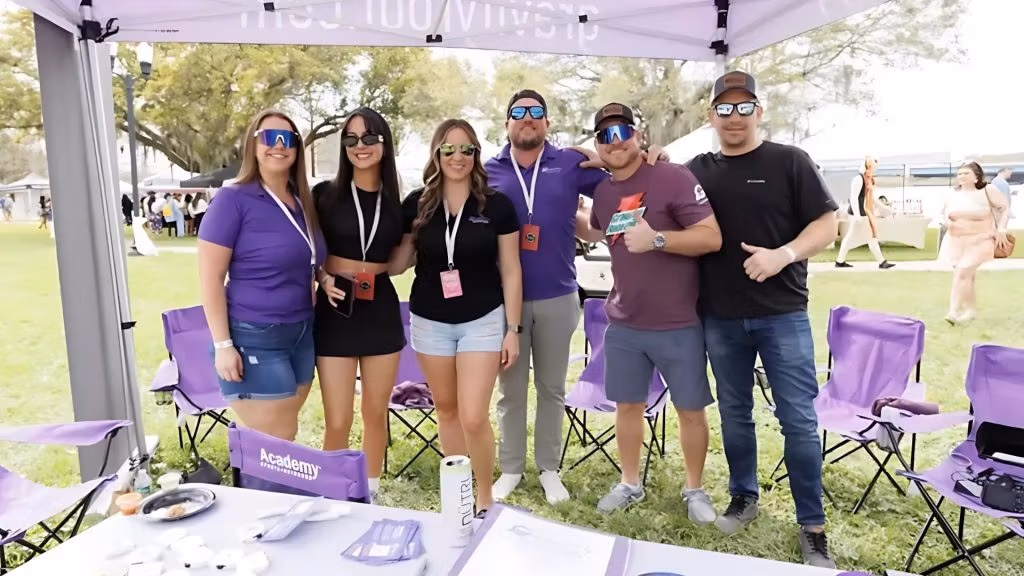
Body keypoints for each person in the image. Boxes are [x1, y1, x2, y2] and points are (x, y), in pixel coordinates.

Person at [686, 71, 839, 568]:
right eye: (724, 108)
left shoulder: (790, 161)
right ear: (710, 115)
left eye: (743, 106)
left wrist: (784, 254)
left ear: (759, 111)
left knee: (797, 419)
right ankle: (743, 497)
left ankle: (812, 526)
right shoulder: (696, 170)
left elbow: (828, 223)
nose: (734, 116)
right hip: (720, 317)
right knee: (735, 414)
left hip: (782, 315)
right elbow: (651, 187)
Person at [574, 103, 721, 520]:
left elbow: (711, 236)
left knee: (690, 410)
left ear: (638, 136)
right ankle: (629, 483)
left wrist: (658, 240)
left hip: (678, 323)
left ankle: (695, 490)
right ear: (598, 146)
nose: (615, 142)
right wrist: (562, 213)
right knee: (627, 407)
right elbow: (604, 230)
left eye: (622, 132)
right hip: (624, 323)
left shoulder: (672, 176)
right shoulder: (602, 191)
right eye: (605, 136)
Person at [392, 119, 522, 517]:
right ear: (436, 154)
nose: (458, 158)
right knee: (446, 411)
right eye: (449, 150)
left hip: (482, 320)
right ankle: (459, 497)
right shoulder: (417, 204)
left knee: (473, 415)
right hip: (430, 322)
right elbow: (398, 262)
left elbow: (512, 269)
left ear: (476, 155)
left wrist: (512, 329)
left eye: (466, 150)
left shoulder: (496, 205)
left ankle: (485, 499)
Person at [483, 89, 608, 504]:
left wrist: (620, 154)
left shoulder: (570, 162)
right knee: (511, 391)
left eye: (536, 112)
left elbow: (622, 177)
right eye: (517, 112)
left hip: (558, 295)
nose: (527, 118)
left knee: (552, 388)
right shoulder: (488, 171)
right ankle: (513, 468)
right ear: (506, 124)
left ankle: (550, 469)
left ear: (547, 123)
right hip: (504, 302)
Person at [197, 109, 326, 440]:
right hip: (254, 335)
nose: (279, 145)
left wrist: (323, 277)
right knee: (276, 441)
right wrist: (223, 345)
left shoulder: (301, 202)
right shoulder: (232, 199)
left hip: (301, 334)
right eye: (269, 137)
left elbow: (307, 257)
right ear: (252, 145)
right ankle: (261, 492)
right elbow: (210, 279)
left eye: (288, 139)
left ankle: (268, 491)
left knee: (283, 435)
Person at [313, 108, 405, 498]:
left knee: (374, 413)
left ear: (384, 144)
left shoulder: (398, 203)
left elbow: (402, 260)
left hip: (380, 306)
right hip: (336, 307)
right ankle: (332, 492)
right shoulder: (323, 195)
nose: (360, 146)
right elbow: (308, 250)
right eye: (350, 139)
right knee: (338, 417)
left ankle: (370, 491)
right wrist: (321, 277)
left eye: (369, 138)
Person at [937, 161, 1011, 325]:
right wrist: (946, 223)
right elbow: (944, 213)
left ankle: (953, 311)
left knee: (963, 271)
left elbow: (1004, 208)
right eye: (960, 174)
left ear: (977, 176)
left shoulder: (987, 190)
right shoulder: (952, 194)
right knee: (966, 276)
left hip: (980, 238)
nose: (961, 177)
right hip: (956, 240)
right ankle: (970, 311)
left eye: (966, 173)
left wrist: (1002, 229)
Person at [834, 156, 894, 269]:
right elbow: (854, 198)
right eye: (872, 165)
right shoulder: (859, 179)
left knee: (856, 238)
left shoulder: (869, 179)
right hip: (859, 214)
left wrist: (885, 208)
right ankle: (882, 262)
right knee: (870, 237)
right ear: (867, 165)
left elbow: (872, 198)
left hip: (864, 213)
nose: (874, 167)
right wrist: (857, 215)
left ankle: (840, 261)